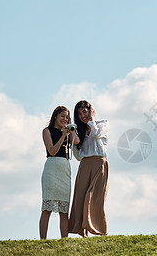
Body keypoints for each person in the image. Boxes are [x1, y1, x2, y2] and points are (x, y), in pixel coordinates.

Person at [69, 100, 109, 237]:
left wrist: (91, 120)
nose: (82, 116)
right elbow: (78, 156)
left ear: (90, 111)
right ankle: (82, 231)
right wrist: (73, 140)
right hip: (85, 164)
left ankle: (100, 230)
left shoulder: (102, 124)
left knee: (92, 197)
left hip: (99, 163)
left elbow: (97, 134)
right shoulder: (80, 131)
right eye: (79, 114)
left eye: (84, 111)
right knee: (80, 197)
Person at [39, 106, 79, 239]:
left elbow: (77, 142)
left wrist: (71, 130)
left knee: (64, 209)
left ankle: (64, 240)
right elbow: (52, 151)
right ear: (55, 116)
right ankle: (43, 240)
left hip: (64, 169)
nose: (65, 119)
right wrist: (62, 136)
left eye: (67, 117)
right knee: (47, 208)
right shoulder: (47, 131)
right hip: (52, 168)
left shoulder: (68, 132)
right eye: (62, 116)